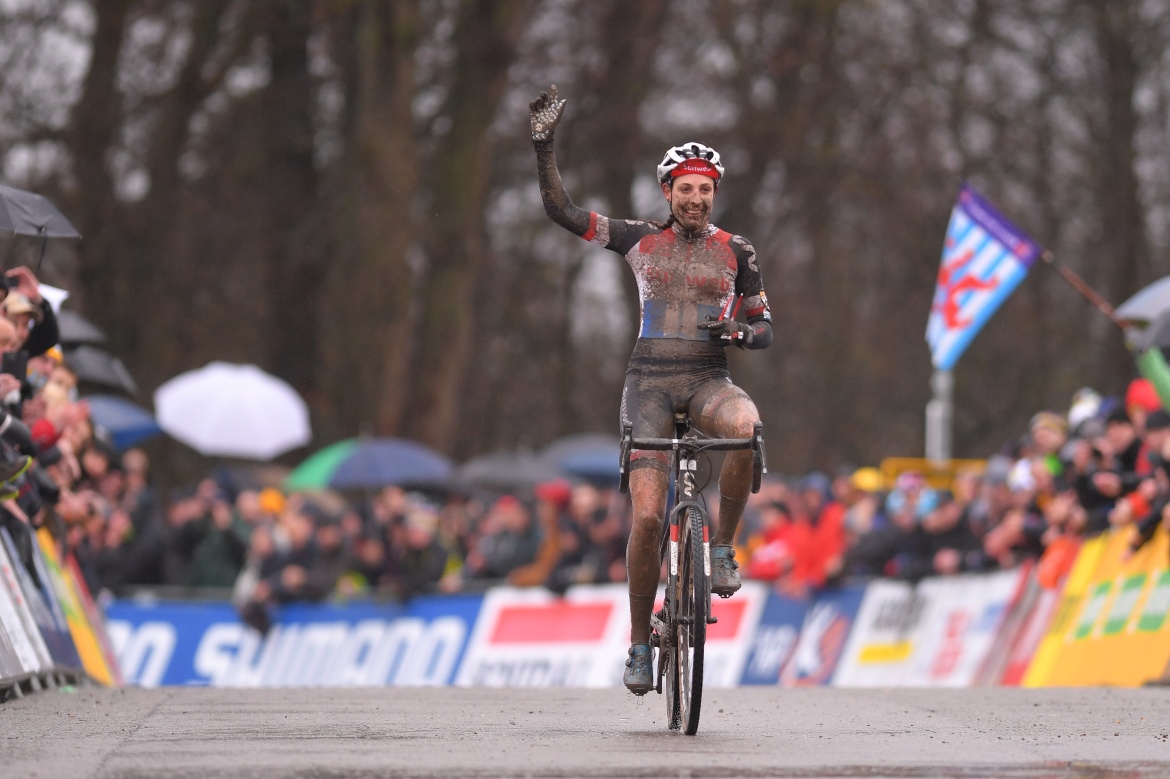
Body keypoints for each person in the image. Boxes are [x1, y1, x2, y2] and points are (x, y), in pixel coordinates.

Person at [529, 85, 773, 694]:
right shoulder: (639, 239)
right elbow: (563, 212)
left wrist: (743, 332)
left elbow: (765, 327)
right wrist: (544, 147)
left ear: (714, 193)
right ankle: (639, 644)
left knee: (747, 430)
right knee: (645, 519)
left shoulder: (737, 251)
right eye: (686, 189)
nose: (696, 199)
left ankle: (721, 549)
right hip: (650, 386)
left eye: (705, 190)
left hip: (709, 378)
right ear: (668, 192)